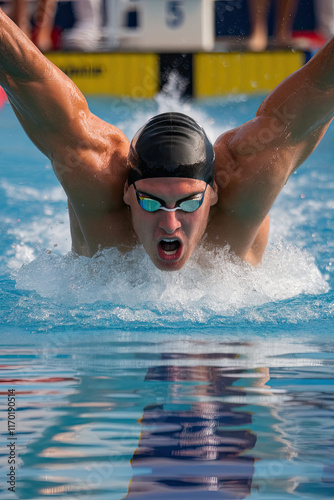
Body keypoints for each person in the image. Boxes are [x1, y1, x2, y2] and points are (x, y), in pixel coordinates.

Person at [1, 8, 334, 272]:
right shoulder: (96, 176)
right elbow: (21, 71)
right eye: (150, 202)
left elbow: (322, 87)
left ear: (214, 192)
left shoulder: (250, 178)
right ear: (128, 193)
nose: (170, 224)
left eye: (189, 203)